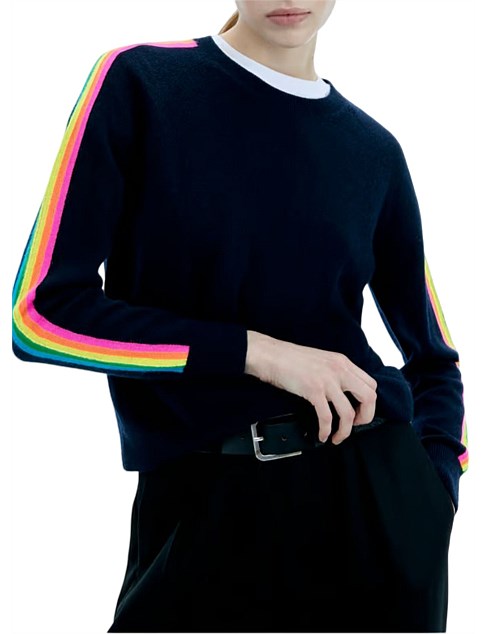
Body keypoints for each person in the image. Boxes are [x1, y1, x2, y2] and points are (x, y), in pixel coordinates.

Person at [11, 1, 469, 632]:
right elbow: (42, 314)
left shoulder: (374, 152)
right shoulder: (141, 82)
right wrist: (258, 353)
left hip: (377, 511)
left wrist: (435, 492)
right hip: (205, 509)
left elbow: (434, 359)